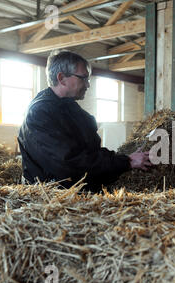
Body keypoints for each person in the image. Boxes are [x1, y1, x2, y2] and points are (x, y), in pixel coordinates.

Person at [18, 50, 152, 192]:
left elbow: (91, 151)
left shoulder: (70, 108)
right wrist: (126, 162)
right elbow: (69, 163)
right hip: (53, 199)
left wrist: (125, 158)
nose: (88, 85)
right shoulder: (39, 113)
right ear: (62, 78)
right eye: (83, 78)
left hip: (81, 193)